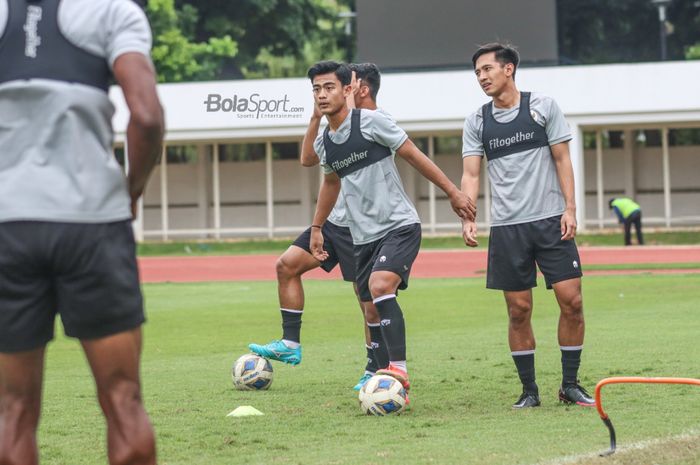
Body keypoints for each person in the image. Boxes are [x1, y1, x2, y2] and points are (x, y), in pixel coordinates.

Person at [0, 1, 164, 464]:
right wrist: (131, 191)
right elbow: (147, 117)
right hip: (92, 224)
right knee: (123, 399)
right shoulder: (111, 11)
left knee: (12, 411)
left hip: (7, 225)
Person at [307, 60, 475, 397]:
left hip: (399, 225)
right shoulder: (325, 143)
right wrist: (316, 227)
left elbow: (413, 155)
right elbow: (330, 183)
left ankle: (398, 369)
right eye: (316, 89)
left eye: (329, 87)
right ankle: (381, 375)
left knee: (380, 284)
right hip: (362, 235)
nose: (323, 95)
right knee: (370, 306)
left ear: (347, 90)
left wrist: (453, 193)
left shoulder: (371, 122)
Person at [461, 43, 595, 409]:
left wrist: (570, 208)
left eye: (487, 69)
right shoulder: (476, 121)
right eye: (477, 72)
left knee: (573, 301)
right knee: (518, 310)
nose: (482, 77)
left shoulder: (543, 107)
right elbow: (471, 172)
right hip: (507, 228)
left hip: (551, 221)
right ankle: (529, 391)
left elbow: (563, 159)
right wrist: (469, 214)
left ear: (509, 69)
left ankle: (570, 385)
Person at [249, 65, 390, 391]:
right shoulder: (332, 126)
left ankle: (375, 367)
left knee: (367, 302)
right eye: (321, 89)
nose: (328, 93)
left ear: (359, 89)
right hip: (333, 224)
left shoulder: (378, 123)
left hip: (364, 226)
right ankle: (290, 342)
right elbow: (307, 160)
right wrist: (315, 118)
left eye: (342, 85)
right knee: (286, 265)